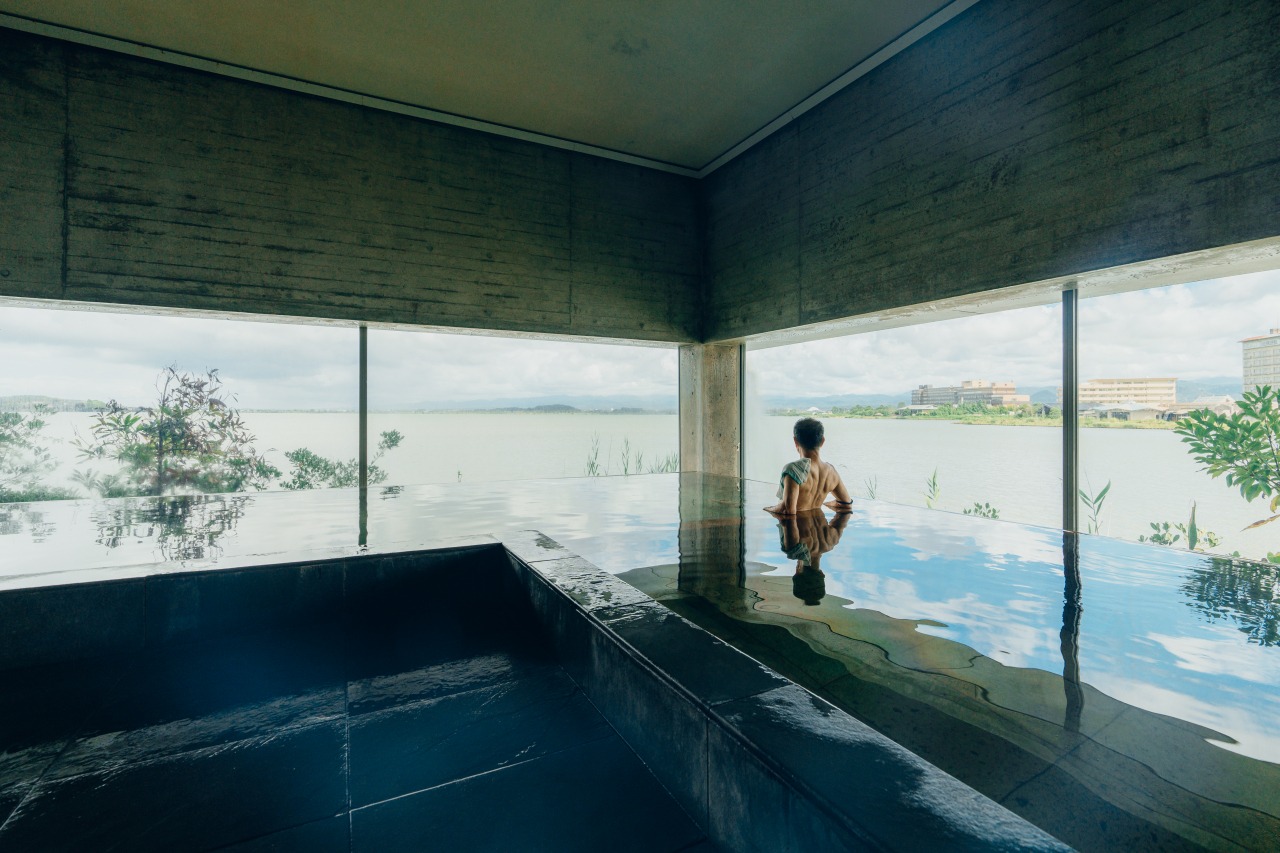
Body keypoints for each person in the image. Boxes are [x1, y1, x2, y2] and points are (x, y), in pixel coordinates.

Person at [763, 417, 852, 516]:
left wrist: (769, 509)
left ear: (795, 441)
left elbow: (788, 511)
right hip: (819, 529)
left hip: (796, 529)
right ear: (822, 441)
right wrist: (826, 504)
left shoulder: (793, 469)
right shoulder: (831, 471)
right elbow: (847, 504)